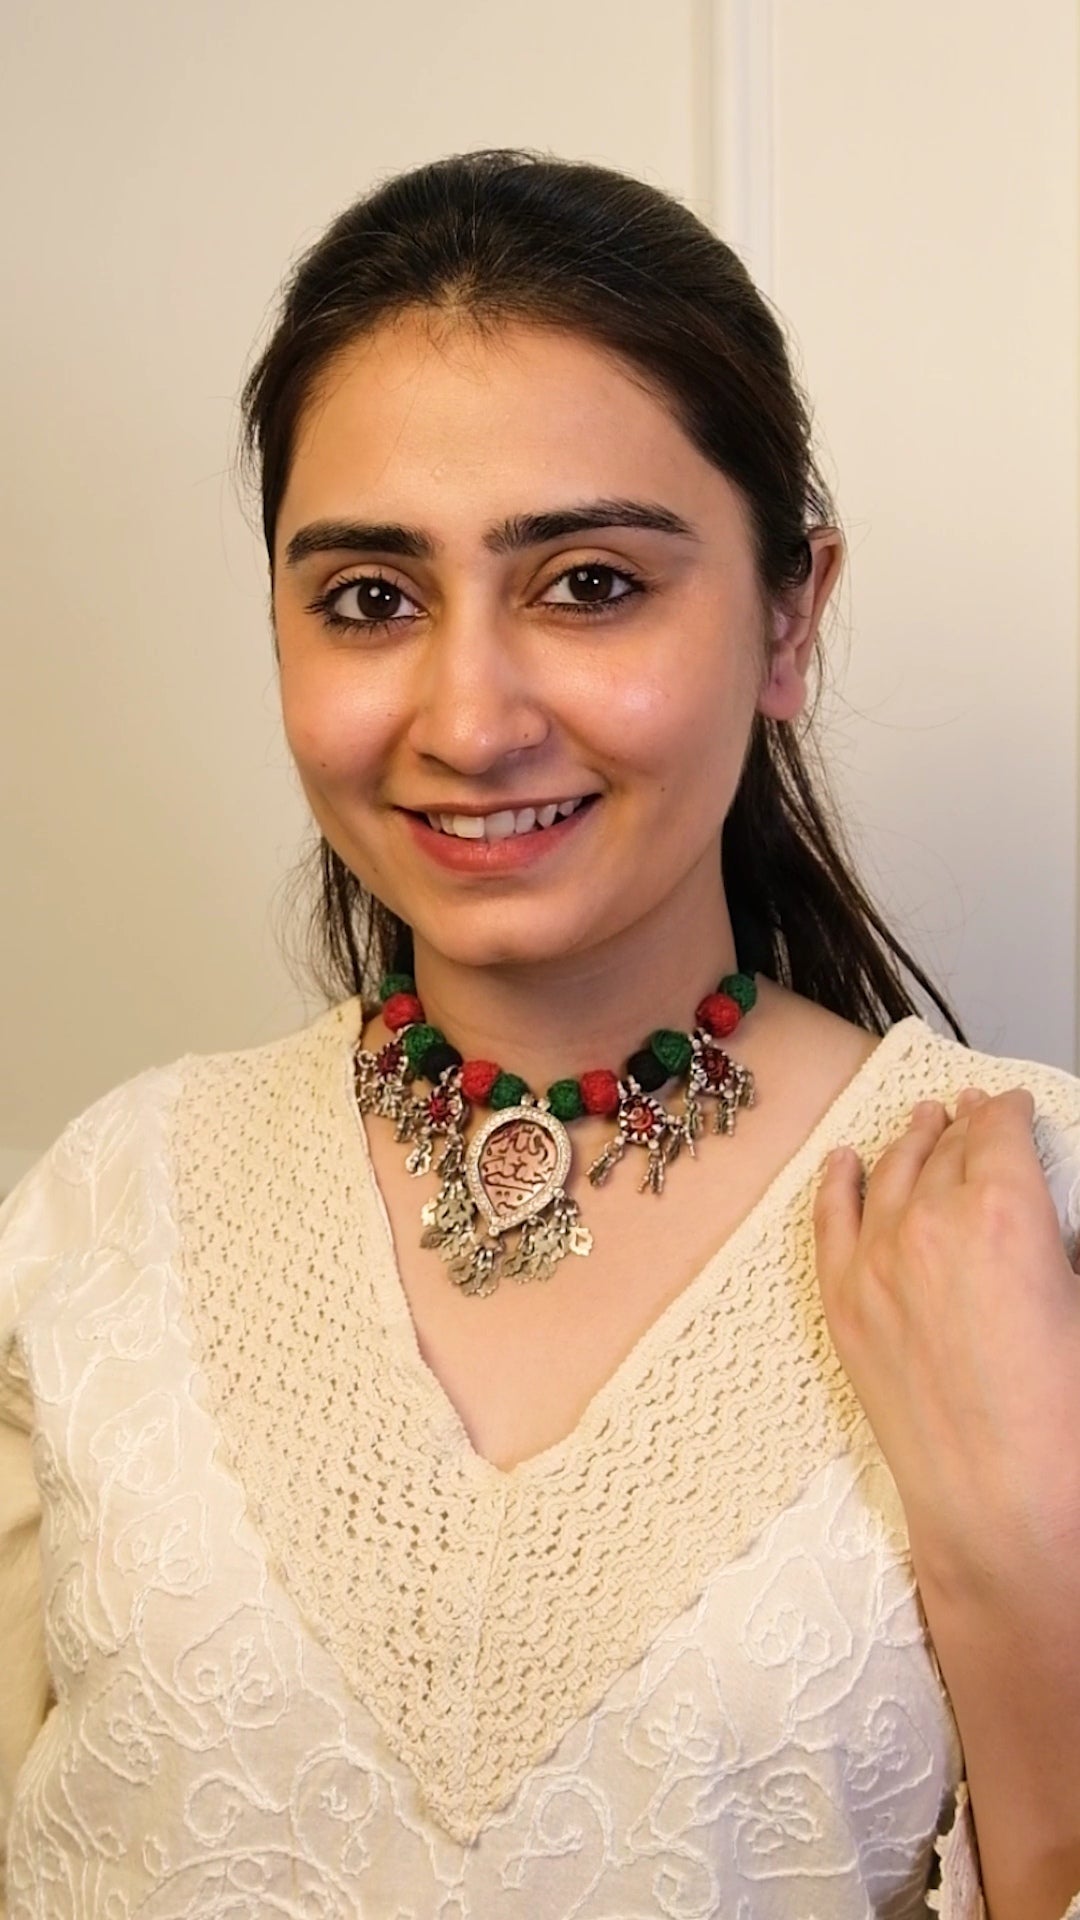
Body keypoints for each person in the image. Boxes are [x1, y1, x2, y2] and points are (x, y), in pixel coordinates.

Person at [1, 148, 1078, 1920]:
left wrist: (1033, 1567)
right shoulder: (111, 1213)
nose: (469, 715)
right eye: (369, 599)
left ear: (790, 617)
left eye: (588, 583)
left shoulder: (1023, 1201)